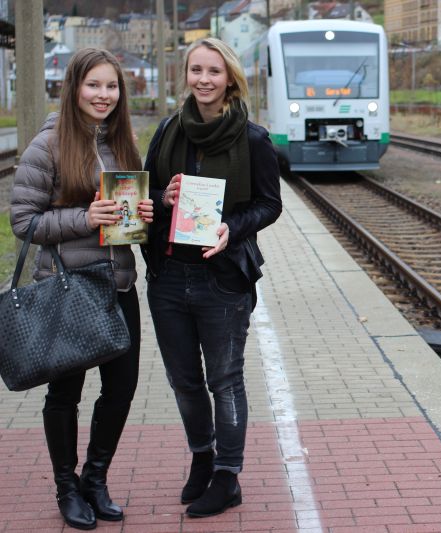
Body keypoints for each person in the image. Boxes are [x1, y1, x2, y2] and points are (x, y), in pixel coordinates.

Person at [10, 48, 153, 530]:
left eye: (111, 86)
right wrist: (84, 218)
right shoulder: (47, 145)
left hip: (117, 285)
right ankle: (66, 489)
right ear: (73, 87)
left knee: (123, 387)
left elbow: (125, 221)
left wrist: (143, 217)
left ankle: (96, 478)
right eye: (94, 85)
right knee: (64, 393)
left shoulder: (122, 142)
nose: (103, 95)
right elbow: (23, 221)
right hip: (67, 288)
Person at [142, 37, 282, 518]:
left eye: (214, 72)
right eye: (196, 70)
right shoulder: (167, 131)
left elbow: (270, 204)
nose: (204, 80)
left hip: (223, 278)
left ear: (230, 79)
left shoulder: (254, 139)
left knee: (225, 380)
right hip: (168, 277)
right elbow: (146, 192)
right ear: (186, 74)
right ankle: (202, 460)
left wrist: (231, 228)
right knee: (184, 381)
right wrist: (164, 197)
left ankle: (228, 476)